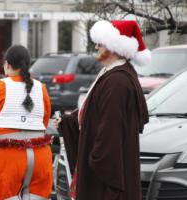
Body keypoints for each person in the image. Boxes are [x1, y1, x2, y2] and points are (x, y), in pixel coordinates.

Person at [56, 20, 150, 200]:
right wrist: (70, 121)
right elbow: (94, 109)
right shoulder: (112, 74)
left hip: (106, 171)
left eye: (101, 42)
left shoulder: (117, 82)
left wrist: (97, 160)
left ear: (115, 47)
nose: (97, 46)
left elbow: (110, 128)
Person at [0, 45, 52, 200]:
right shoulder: (41, 88)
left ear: (7, 64)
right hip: (40, 157)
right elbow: (44, 121)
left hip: (7, 157)